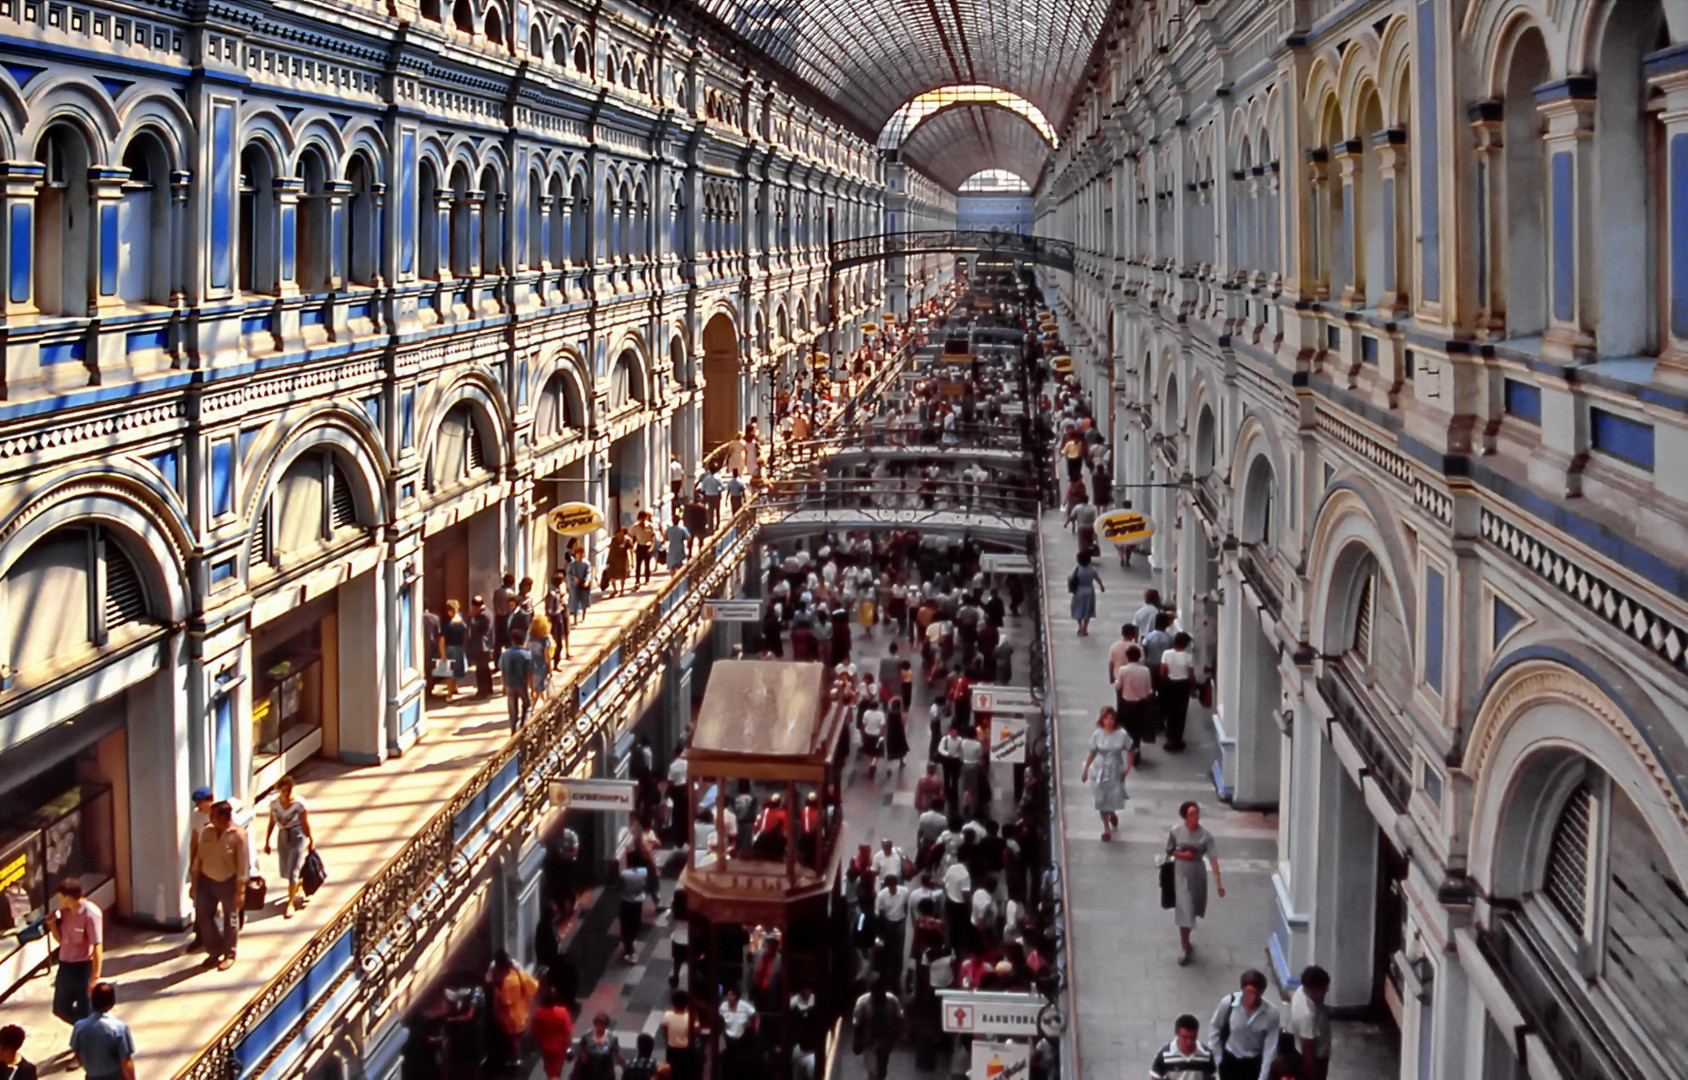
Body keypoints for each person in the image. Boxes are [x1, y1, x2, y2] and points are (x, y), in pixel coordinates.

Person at [190, 800, 249, 971]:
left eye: (213, 816)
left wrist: (241, 891)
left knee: (230, 919)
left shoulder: (238, 835)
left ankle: (229, 953)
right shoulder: (207, 832)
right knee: (203, 917)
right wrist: (194, 884)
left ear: (223, 817)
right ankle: (214, 950)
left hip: (229, 882)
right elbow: (198, 859)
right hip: (206, 881)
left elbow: (243, 865)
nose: (209, 818)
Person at [1169, 800, 1224, 964]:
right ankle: (1185, 946)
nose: (1196, 816)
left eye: (1197, 812)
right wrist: (1182, 855)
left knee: (1193, 907)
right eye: (1192, 813)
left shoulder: (1205, 835)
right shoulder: (1176, 831)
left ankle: (1187, 936)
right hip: (1180, 872)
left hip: (1197, 873)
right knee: (1184, 907)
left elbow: (1213, 858)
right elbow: (1170, 849)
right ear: (1185, 815)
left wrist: (1218, 882)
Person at [47, 878, 102, 1032]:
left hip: (83, 967)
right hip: (65, 966)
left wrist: (95, 977)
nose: (58, 901)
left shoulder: (91, 914)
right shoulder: (63, 913)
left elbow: (98, 945)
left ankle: (87, 1035)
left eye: (60, 897)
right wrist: (52, 925)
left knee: (85, 1009)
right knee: (60, 1008)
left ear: (68, 897)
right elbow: (62, 940)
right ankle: (87, 1030)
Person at [1210, 970, 1280, 1080]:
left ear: (1261, 993)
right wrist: (1217, 1060)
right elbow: (1215, 1028)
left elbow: (1270, 1047)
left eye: (1255, 994)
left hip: (1252, 1063)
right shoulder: (1229, 1003)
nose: (1251, 998)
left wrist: (1263, 1075)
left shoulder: (1271, 1013)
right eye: (1248, 993)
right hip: (1229, 1059)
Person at [263, 775, 314, 918]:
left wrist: (311, 839)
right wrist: (267, 841)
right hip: (283, 837)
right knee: (286, 868)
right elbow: (272, 823)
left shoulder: (299, 804)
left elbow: (305, 823)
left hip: (297, 836)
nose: (286, 793)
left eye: (289, 790)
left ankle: (290, 903)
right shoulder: (274, 804)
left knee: (293, 870)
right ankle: (298, 883)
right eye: (283, 790)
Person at [1080, 708, 1132, 841]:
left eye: (1112, 718)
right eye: (1106, 718)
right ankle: (1106, 828)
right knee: (1101, 798)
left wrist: (1127, 768)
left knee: (1113, 795)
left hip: (1115, 768)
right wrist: (1086, 769)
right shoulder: (1097, 735)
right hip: (1100, 769)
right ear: (1102, 720)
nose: (1109, 721)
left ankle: (1112, 813)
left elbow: (1131, 749)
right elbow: (1092, 752)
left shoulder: (1122, 734)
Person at [67, 983, 133, 1080]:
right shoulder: (120, 1028)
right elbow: (126, 1061)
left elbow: (78, 1054)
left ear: (92, 1001)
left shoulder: (79, 1027)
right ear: (112, 1003)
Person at [488, 950, 539, 1070]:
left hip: (512, 1017)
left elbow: (506, 1002)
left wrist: (497, 995)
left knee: (513, 1039)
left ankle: (516, 1058)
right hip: (523, 1011)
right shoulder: (519, 973)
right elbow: (534, 986)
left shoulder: (508, 982)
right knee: (517, 1037)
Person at [850, 981, 903, 1080]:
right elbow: (857, 1023)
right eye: (877, 992)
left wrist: (897, 1034)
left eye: (882, 992)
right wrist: (857, 1041)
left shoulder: (891, 1000)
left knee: (882, 1069)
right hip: (869, 1040)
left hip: (885, 1039)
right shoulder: (863, 1002)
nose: (880, 995)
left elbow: (898, 1017)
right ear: (872, 992)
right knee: (872, 1070)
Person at [1287, 965, 1331, 1080]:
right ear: (1315, 990)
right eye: (1324, 988)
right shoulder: (1307, 1015)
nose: (1327, 990)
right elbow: (1308, 1049)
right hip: (1317, 1059)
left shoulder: (1300, 992)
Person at [1161, 631, 1197, 752]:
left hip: (1170, 684)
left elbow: (1163, 671)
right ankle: (1178, 739)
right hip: (1183, 686)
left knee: (1170, 711)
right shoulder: (1188, 657)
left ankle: (1170, 737)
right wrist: (1193, 688)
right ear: (1186, 644)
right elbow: (1191, 675)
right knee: (1181, 713)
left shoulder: (1166, 654)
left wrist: (1165, 683)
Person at [530, 984, 575, 1080]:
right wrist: (569, 1046)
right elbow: (568, 1031)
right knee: (556, 1070)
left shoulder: (539, 1012)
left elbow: (534, 1031)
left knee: (549, 1068)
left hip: (545, 1046)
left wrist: (538, 1042)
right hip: (559, 1046)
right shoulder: (562, 1012)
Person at [1150, 1014, 1217, 1080]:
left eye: (1193, 1037)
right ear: (1176, 1033)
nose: (1189, 1042)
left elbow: (1211, 1077)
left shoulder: (1207, 1055)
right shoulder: (1164, 1055)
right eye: (1185, 1037)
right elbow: (1155, 1077)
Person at [617, 851, 650, 961]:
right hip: (638, 902)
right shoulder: (644, 872)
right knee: (635, 923)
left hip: (626, 902)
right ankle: (631, 941)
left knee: (625, 925)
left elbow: (619, 887)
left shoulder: (624, 874)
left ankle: (628, 948)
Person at [500, 626, 534, 732]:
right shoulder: (527, 655)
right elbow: (529, 674)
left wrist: (504, 686)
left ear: (512, 640)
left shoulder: (504, 654)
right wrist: (532, 688)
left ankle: (513, 731)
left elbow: (503, 671)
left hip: (510, 684)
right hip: (522, 685)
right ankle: (524, 727)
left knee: (512, 710)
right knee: (527, 706)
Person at [717, 987, 757, 1071]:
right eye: (728, 995)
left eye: (731, 995)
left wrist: (752, 1025)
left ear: (736, 997)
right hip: (727, 1037)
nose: (729, 997)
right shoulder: (724, 1006)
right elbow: (718, 1016)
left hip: (741, 1038)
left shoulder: (743, 1005)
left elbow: (755, 1014)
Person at [575, 1014, 624, 1080]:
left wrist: (622, 1063)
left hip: (604, 1066)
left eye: (602, 1024)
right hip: (589, 1065)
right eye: (598, 1023)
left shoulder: (612, 1037)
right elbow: (581, 1046)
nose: (600, 1026)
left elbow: (615, 1051)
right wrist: (583, 1055)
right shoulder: (587, 1035)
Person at [659, 991, 696, 1080]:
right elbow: (693, 1033)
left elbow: (665, 1032)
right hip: (686, 1050)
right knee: (684, 1073)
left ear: (673, 1003)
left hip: (671, 1048)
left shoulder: (667, 1015)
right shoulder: (690, 1017)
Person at [1069, 551, 1104, 636]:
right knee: (1088, 610)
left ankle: (1080, 626)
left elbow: (1070, 578)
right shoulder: (1092, 569)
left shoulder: (1077, 569)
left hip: (1079, 591)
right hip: (1089, 591)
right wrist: (1101, 586)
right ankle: (1085, 627)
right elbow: (1098, 579)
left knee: (1077, 608)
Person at [439, 599, 468, 698]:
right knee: (450, 672)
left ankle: (455, 688)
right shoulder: (445, 622)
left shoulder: (460, 616)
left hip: (459, 647)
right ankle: (449, 693)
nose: (453, 613)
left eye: (454, 610)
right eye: (451, 611)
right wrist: (442, 653)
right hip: (450, 648)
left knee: (458, 670)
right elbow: (442, 638)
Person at [467, 595, 495, 698]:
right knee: (485, 668)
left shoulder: (482, 615)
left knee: (481, 670)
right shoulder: (488, 612)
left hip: (481, 646)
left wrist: (471, 617)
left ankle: (482, 692)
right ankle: (488, 688)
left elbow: (474, 627)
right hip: (486, 645)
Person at [632, 511, 658, 585]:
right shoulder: (635, 527)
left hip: (647, 546)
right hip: (640, 546)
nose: (643, 519)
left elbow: (652, 538)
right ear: (639, 518)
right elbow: (634, 537)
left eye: (644, 517)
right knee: (638, 565)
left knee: (647, 564)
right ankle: (637, 580)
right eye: (641, 518)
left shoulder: (650, 526)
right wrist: (633, 547)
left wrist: (652, 547)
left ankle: (647, 579)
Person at [606, 526, 633, 596]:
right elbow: (610, 549)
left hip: (622, 560)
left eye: (621, 532)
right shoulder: (614, 539)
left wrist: (632, 562)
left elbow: (631, 550)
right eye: (619, 532)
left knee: (622, 576)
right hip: (613, 559)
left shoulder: (627, 540)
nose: (620, 534)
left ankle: (622, 590)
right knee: (611, 575)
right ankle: (615, 589)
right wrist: (608, 559)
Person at [567, 549, 594, 615]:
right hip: (574, 585)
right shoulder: (572, 564)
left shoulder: (586, 563)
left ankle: (583, 616)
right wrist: (573, 578)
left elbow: (588, 573)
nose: (579, 556)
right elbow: (568, 573)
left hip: (583, 583)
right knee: (574, 602)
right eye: (578, 554)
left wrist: (587, 581)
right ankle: (575, 618)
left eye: (581, 554)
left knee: (584, 600)